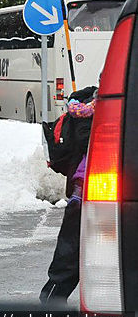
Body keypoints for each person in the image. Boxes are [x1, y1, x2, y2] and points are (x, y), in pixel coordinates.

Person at [39, 89, 96, 305]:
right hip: (88, 189)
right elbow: (85, 144)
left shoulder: (87, 106)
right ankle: (53, 298)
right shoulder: (97, 109)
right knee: (74, 244)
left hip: (83, 188)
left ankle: (53, 296)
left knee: (72, 245)